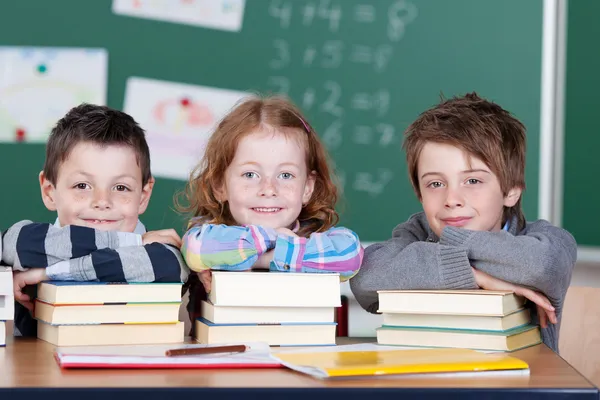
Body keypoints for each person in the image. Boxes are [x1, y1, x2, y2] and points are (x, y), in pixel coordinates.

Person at [350, 92, 577, 352]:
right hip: (429, 383)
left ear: (511, 190)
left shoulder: (548, 240)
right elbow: (365, 278)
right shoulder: (417, 231)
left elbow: (540, 267)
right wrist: (474, 276)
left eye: (473, 181)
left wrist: (449, 242)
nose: (452, 199)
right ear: (420, 194)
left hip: (519, 387)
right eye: (435, 183)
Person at [1, 103, 189, 336]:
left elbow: (170, 264)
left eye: (121, 187)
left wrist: (47, 273)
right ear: (50, 191)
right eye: (82, 185)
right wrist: (135, 243)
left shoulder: (162, 256)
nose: (102, 201)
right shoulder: (30, 243)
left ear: (143, 196)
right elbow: (11, 242)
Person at [178, 95, 363, 331]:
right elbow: (196, 249)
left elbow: (349, 256)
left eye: (285, 175)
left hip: (304, 358)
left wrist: (265, 257)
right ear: (219, 186)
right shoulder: (207, 236)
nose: (268, 189)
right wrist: (274, 238)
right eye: (250, 175)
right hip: (227, 359)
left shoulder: (317, 237)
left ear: (307, 187)